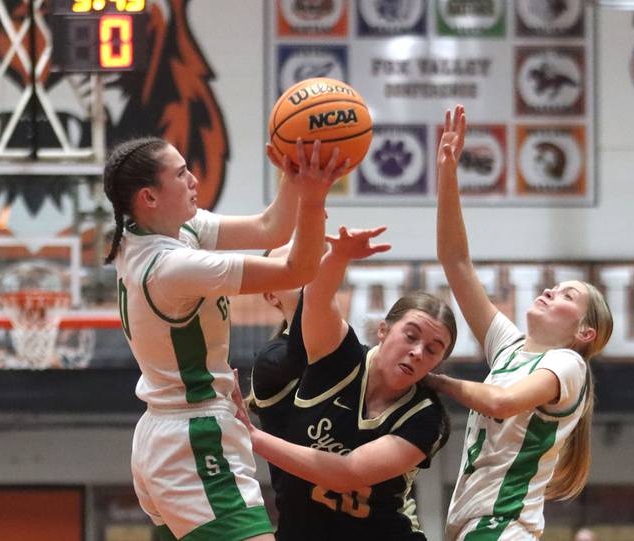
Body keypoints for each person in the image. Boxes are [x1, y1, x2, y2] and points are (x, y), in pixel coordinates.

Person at [104, 135, 347, 541]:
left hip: (172, 432)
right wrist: (314, 197)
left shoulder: (160, 231)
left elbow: (270, 228)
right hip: (194, 438)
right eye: (181, 174)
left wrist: (294, 174)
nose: (194, 180)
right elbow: (297, 271)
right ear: (149, 196)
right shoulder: (171, 266)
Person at [427, 105, 614, 541]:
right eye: (555, 286)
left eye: (567, 296)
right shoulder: (509, 347)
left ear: (584, 332)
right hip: (477, 525)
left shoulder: (569, 364)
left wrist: (434, 380)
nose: (550, 291)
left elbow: (500, 402)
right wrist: (448, 174)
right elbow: (455, 262)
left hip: (502, 524)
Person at [233, 226, 457, 541]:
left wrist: (252, 436)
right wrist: (337, 257)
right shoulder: (334, 355)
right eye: (410, 336)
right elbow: (316, 300)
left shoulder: (426, 417)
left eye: (432, 350)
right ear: (383, 330)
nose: (418, 352)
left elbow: (348, 473)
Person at [247, 242, 307, 519]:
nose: (307, 271)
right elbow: (308, 353)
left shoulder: (352, 350)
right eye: (292, 266)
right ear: (272, 296)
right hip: (307, 524)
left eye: (311, 262)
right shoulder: (272, 359)